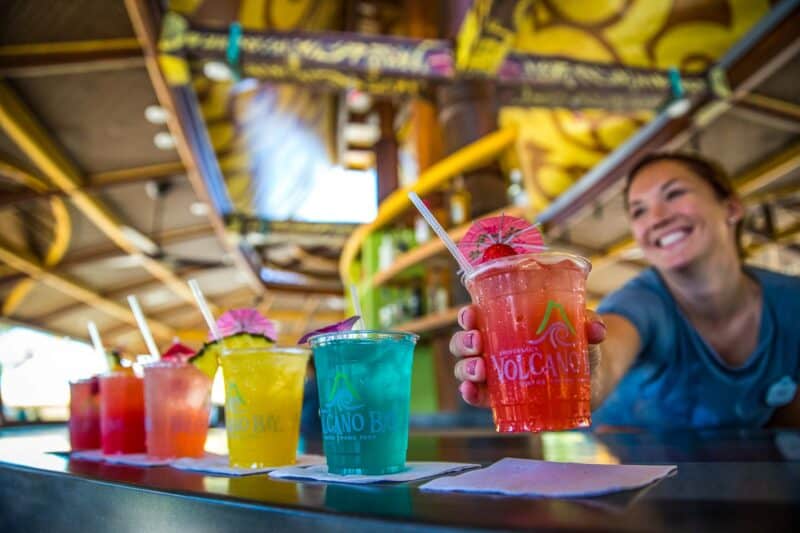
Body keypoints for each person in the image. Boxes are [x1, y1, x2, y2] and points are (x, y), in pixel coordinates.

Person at [450, 152, 800, 429]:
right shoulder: (641, 303)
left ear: (732, 207)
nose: (657, 218)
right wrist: (578, 371)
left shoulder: (790, 301)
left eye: (674, 194)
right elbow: (609, 354)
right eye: (639, 211)